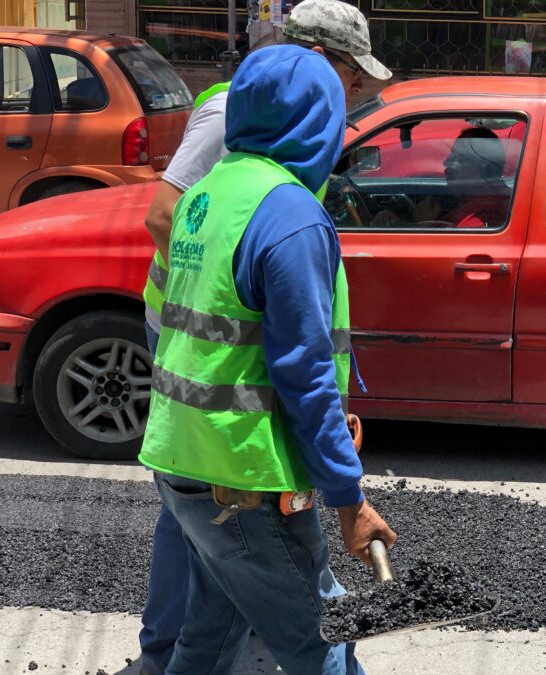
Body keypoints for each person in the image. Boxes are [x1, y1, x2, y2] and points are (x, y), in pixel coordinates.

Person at [137, 2, 392, 673]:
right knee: (322, 644)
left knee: (211, 636)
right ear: (319, 120)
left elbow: (226, 340)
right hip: (243, 480)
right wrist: (350, 498)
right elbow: (303, 371)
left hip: (183, 462)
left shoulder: (209, 194)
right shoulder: (291, 215)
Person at [370, 127, 510, 229]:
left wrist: (412, 225)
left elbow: (447, 246)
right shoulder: (474, 199)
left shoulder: (487, 214)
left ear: (480, 167)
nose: (446, 162)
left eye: (456, 157)